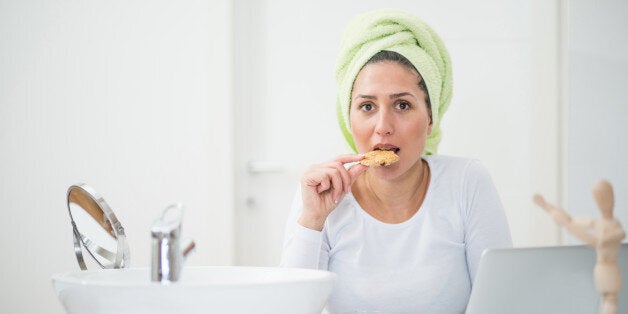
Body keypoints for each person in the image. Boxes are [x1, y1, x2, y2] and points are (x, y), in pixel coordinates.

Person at [280, 9, 512, 313]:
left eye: (402, 104)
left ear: (430, 118)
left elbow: (502, 303)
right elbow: (291, 310)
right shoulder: (320, 194)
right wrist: (311, 221)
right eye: (366, 106)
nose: (383, 126)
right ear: (348, 119)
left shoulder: (467, 182)